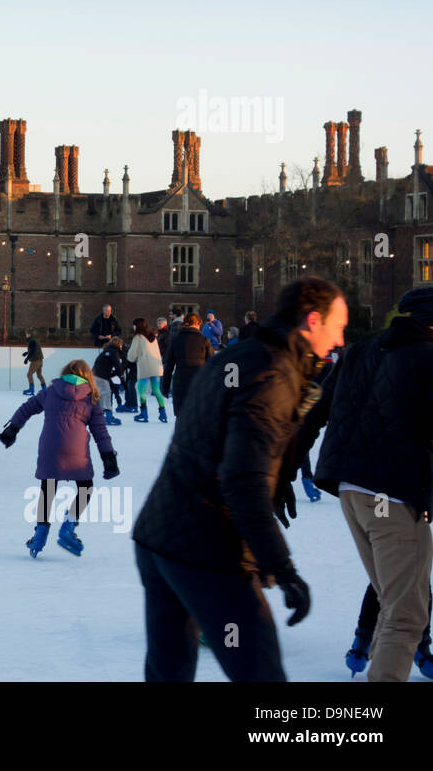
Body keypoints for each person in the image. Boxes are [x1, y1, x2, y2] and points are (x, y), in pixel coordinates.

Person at [132, 277, 346, 681]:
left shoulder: (244, 357)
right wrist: (281, 566)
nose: (340, 339)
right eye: (337, 326)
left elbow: (214, 444)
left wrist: (277, 485)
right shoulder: (272, 374)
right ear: (313, 320)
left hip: (159, 538)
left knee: (168, 673)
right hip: (209, 550)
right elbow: (242, 479)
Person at [294, 286, 433, 682]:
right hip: (391, 496)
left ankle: (364, 646)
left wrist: (285, 466)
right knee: (406, 615)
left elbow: (315, 410)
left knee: (398, 600)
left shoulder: (360, 352)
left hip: (354, 492)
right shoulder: (427, 358)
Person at [0, 359, 119, 556]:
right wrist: (109, 458)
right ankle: (68, 526)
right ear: (87, 376)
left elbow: (27, 408)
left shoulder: (52, 390)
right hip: (77, 450)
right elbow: (100, 432)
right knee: (85, 488)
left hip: (50, 448)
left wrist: (12, 429)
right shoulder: (91, 397)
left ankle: (39, 534)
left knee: (47, 489)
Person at [161, 313, 212, 417]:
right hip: (199, 381)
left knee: (181, 416)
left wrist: (165, 386)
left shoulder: (175, 340)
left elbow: (169, 365)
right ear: (197, 323)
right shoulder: (204, 340)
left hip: (180, 380)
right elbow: (212, 364)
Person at [127, 318, 167, 423]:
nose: (133, 327)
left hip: (145, 367)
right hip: (156, 367)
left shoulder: (138, 337)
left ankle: (144, 414)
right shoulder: (153, 337)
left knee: (141, 390)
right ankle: (163, 413)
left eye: (134, 325)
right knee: (157, 390)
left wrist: (133, 358)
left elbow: (131, 356)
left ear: (138, 326)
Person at [91, 337, 127, 427]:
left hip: (96, 375)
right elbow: (117, 365)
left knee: (100, 395)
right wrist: (121, 375)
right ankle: (108, 416)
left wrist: (113, 374)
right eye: (121, 345)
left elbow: (101, 364)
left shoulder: (106, 351)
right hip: (101, 377)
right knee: (107, 394)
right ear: (118, 345)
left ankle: (97, 415)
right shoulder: (113, 352)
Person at [22, 330, 46, 395]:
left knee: (29, 374)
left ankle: (31, 389)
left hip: (35, 361)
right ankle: (45, 389)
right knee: (39, 375)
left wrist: (27, 358)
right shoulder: (35, 340)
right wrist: (26, 353)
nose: (26, 336)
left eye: (26, 334)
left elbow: (32, 351)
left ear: (29, 335)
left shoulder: (32, 341)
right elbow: (35, 349)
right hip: (40, 360)